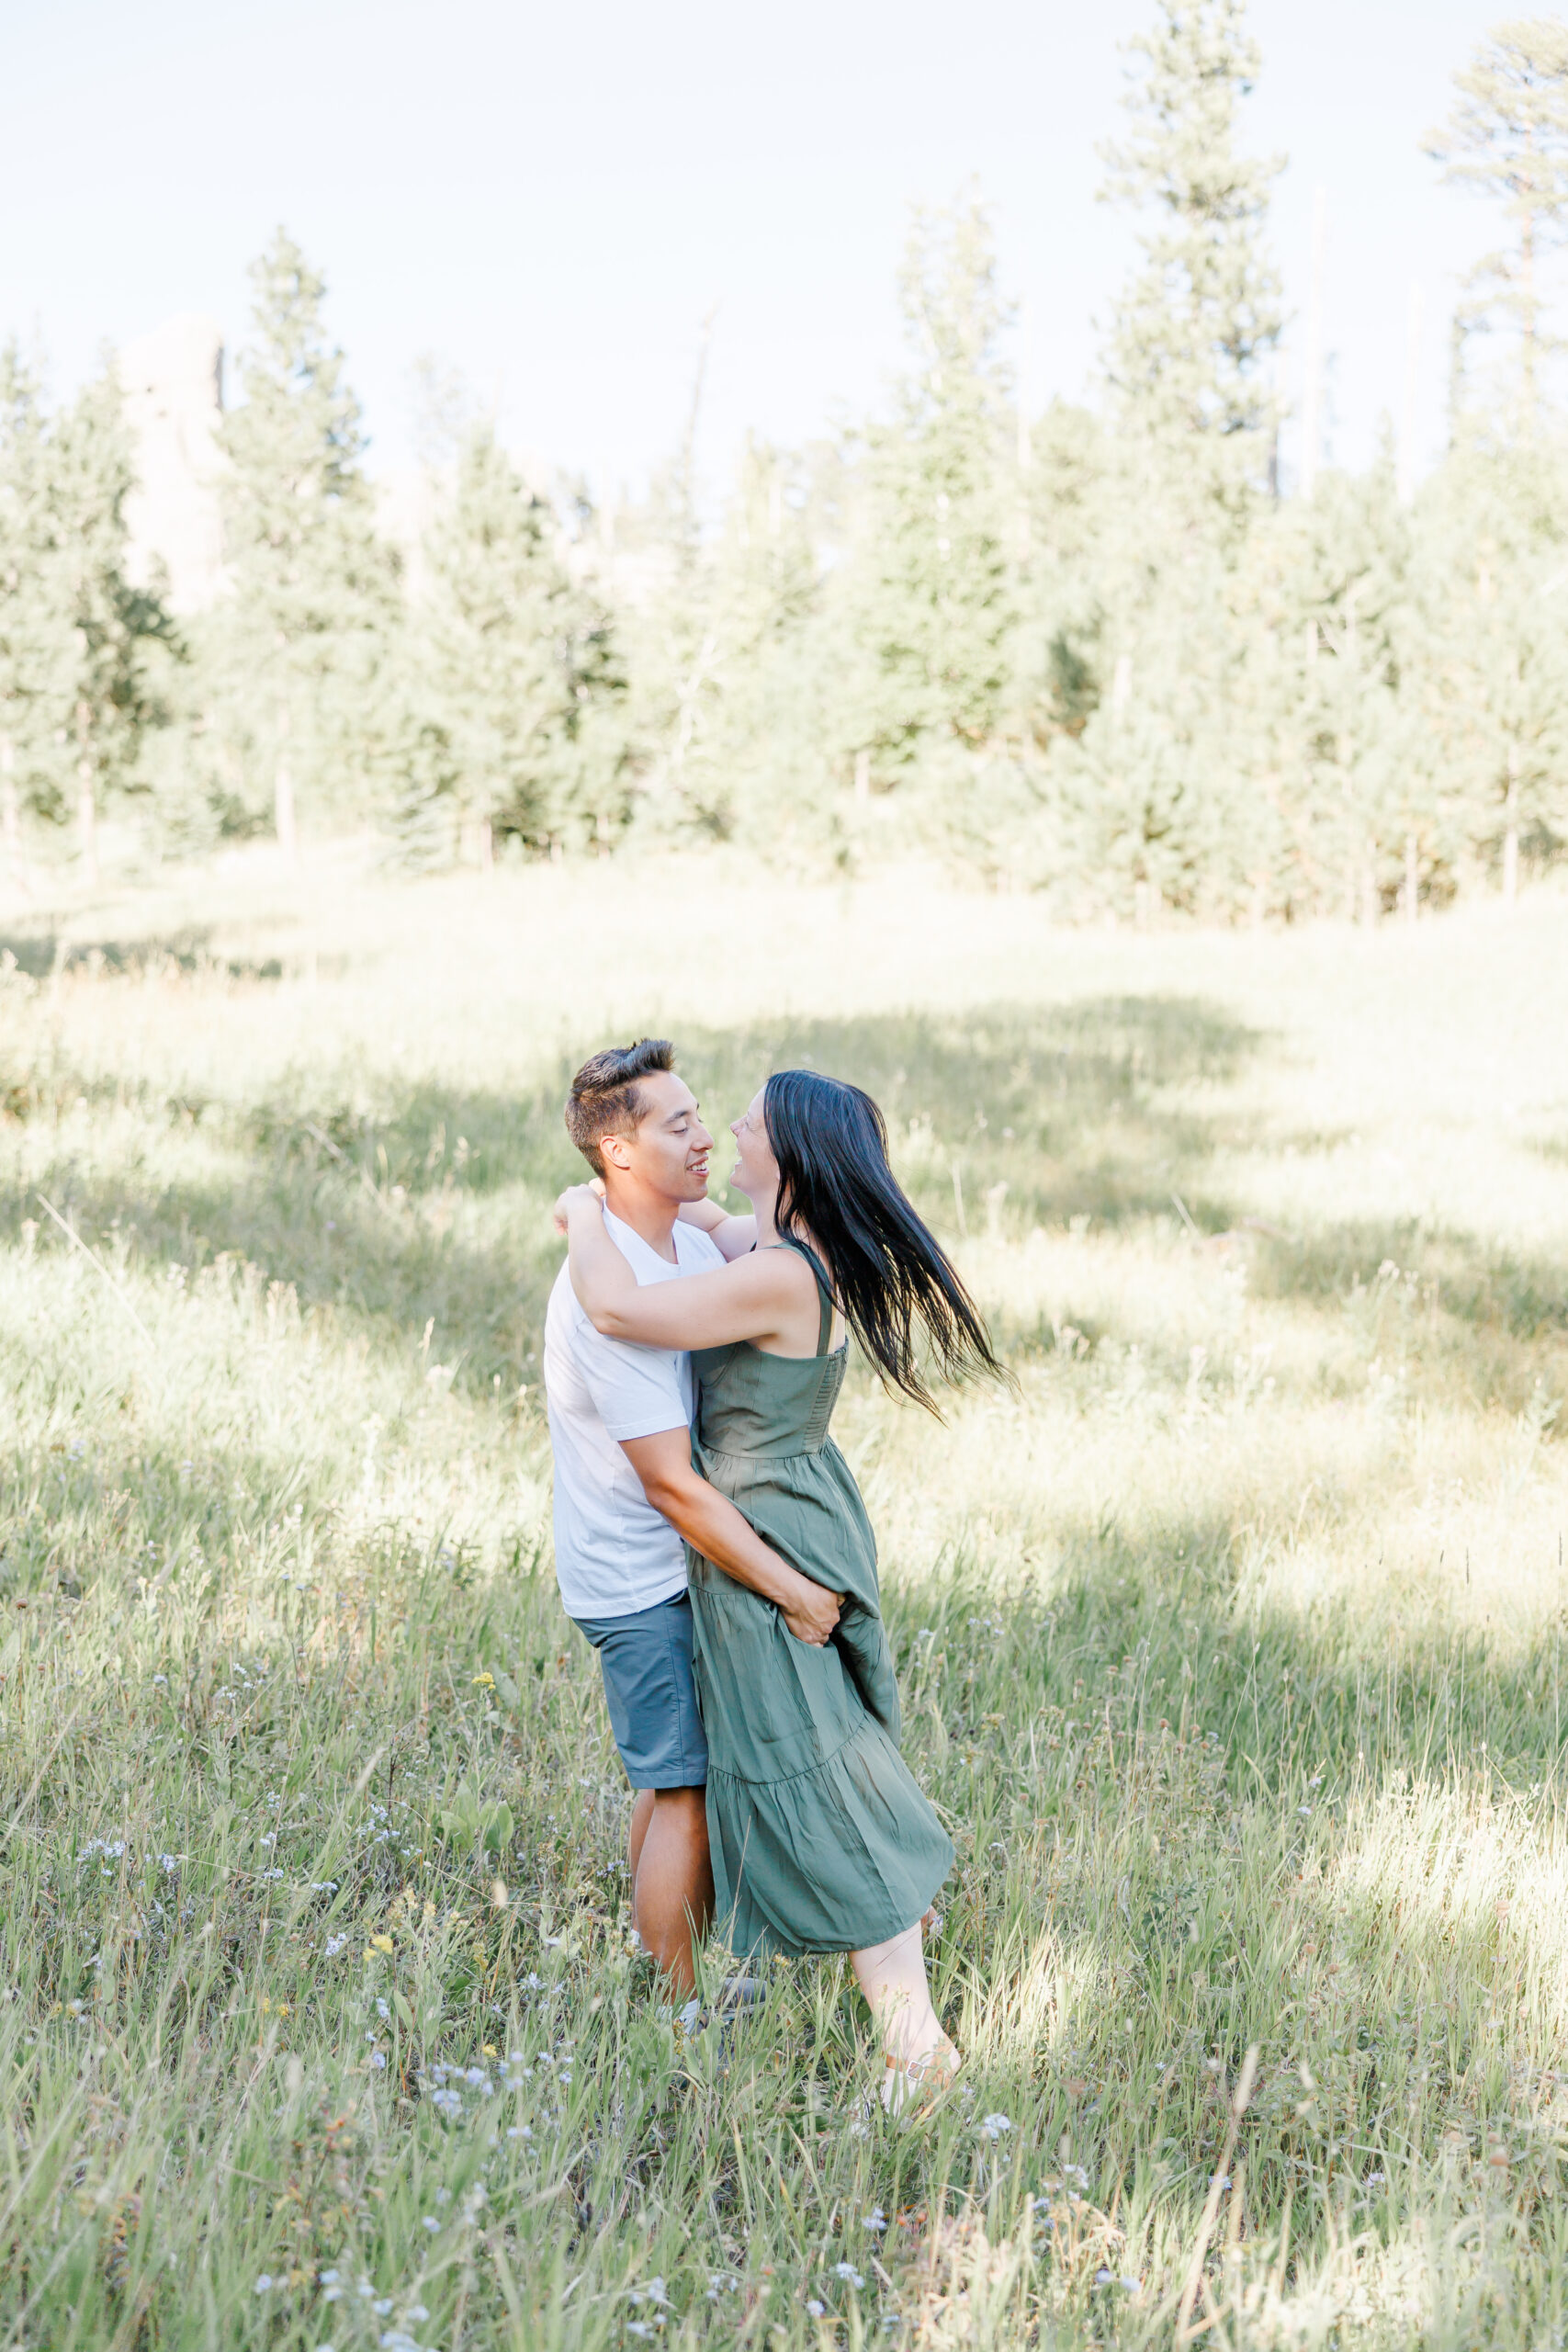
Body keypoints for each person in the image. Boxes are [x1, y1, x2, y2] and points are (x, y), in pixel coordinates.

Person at [558, 1067, 1004, 2106]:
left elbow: (618, 1304)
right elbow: (694, 1211)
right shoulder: (764, 1246)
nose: (720, 1135)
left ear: (788, 1158)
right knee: (821, 1744)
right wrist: (631, 1179)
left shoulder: (780, 1275)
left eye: (741, 1124)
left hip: (768, 1538)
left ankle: (916, 2043)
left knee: (809, 1764)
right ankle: (888, 1946)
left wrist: (581, 1204)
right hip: (790, 1512)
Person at [544, 1040, 845, 2000]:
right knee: (688, 1787)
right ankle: (675, 2008)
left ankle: (657, 1961)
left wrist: (583, 1203)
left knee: (674, 1777)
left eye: (701, 1114)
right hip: (639, 1576)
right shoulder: (615, 1289)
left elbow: (736, 1232)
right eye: (678, 1125)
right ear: (624, 1152)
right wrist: (792, 1586)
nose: (704, 1135)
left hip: (664, 1564)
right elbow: (673, 1486)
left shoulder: (668, 1236)